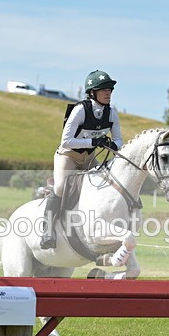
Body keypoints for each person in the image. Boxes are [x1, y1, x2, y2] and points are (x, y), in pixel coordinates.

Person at [40, 70, 123, 249]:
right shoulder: (80, 110)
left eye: (110, 89)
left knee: (106, 184)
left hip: (89, 157)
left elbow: (118, 141)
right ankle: (47, 230)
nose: (108, 92)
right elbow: (66, 141)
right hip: (68, 155)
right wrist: (94, 140)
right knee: (61, 187)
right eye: (104, 89)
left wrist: (112, 145)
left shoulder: (111, 113)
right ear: (92, 92)